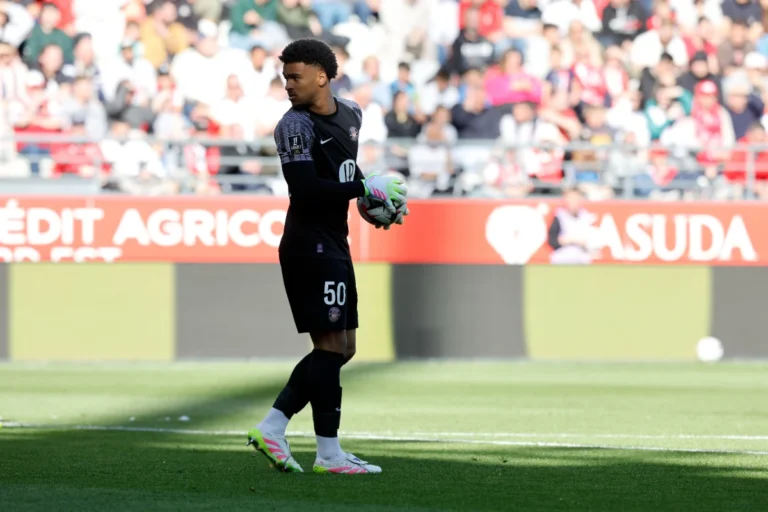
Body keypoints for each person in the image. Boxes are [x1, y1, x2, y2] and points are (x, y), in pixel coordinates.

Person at [246, 38, 408, 475]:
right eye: (285, 78)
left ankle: (287, 434)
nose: (288, 85)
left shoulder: (352, 113)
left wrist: (373, 204)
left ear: (322, 76)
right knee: (331, 347)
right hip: (308, 244)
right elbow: (305, 190)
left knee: (344, 348)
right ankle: (318, 449)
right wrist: (363, 188)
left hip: (334, 242)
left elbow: (343, 171)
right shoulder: (293, 126)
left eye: (295, 77)